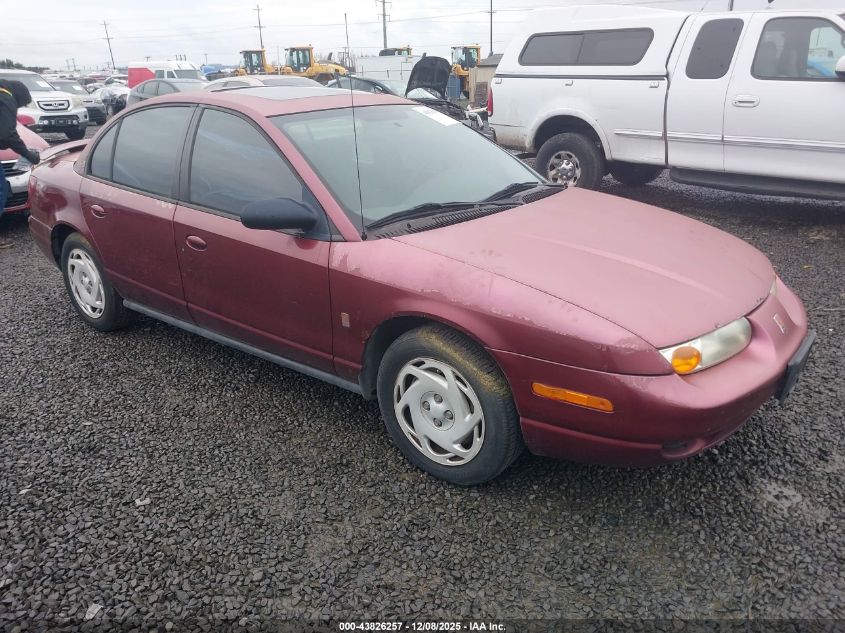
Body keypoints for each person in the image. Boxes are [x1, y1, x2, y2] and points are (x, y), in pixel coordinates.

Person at [1, 79, 41, 245]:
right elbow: (7, 134)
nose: (17, 108)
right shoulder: (6, 97)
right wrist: (28, 154)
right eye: (20, 105)